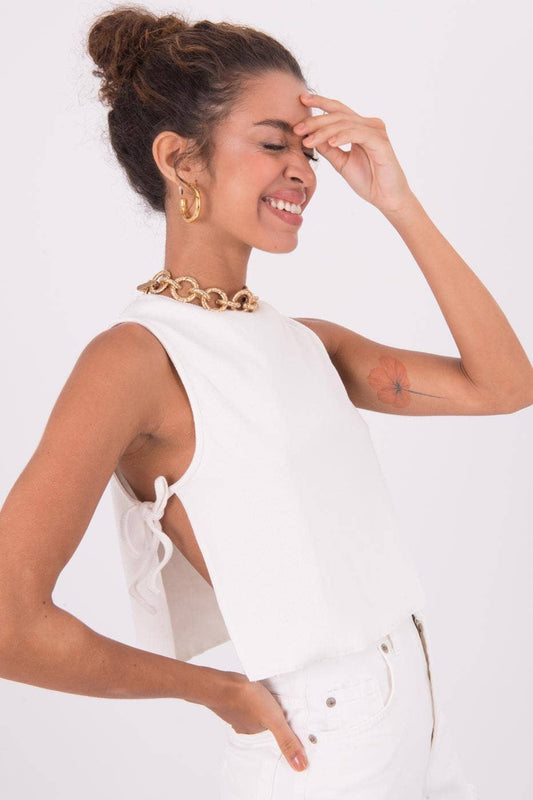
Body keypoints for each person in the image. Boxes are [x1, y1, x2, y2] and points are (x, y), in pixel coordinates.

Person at [1, 4, 531, 798]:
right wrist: (216, 692)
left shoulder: (306, 343)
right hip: (320, 748)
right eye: (275, 144)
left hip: (417, 725)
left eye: (308, 149)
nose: (305, 172)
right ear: (180, 160)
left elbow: (505, 386)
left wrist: (396, 200)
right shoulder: (136, 360)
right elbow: (9, 624)